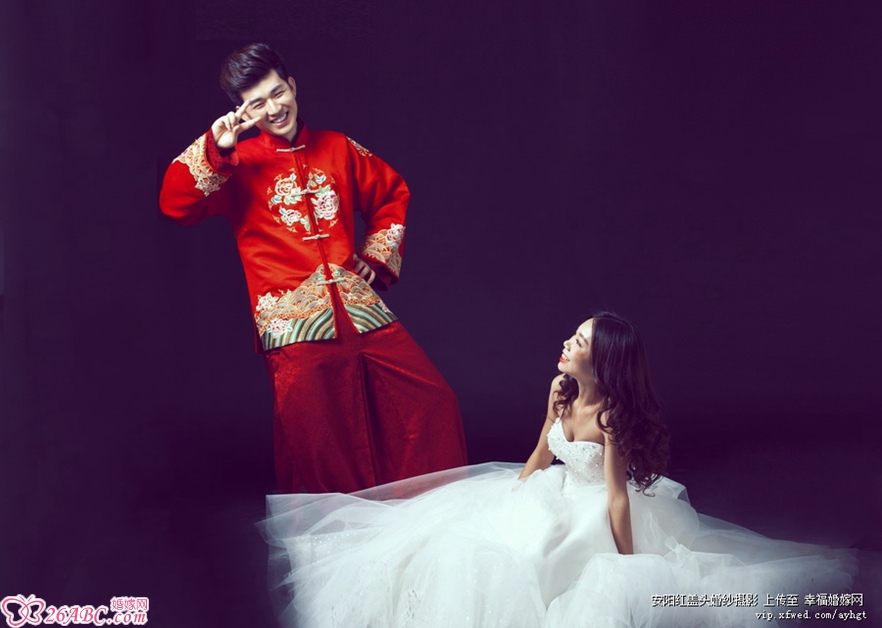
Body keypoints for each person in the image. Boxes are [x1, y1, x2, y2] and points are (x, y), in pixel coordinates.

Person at [261, 312, 856, 627]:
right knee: (464, 542)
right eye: (572, 336)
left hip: (592, 507)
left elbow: (617, 496)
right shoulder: (561, 391)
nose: (566, 345)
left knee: (543, 557)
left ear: (603, 366)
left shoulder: (611, 418)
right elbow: (542, 454)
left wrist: (630, 564)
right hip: (552, 489)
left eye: (579, 343)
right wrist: (508, 495)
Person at [159, 43, 467, 493]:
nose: (273, 109)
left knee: (431, 402)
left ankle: (420, 510)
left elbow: (391, 192)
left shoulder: (337, 146)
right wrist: (216, 147)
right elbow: (175, 205)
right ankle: (344, 530)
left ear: (292, 86)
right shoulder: (235, 163)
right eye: (256, 104)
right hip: (291, 322)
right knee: (317, 438)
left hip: (358, 309)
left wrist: (375, 255)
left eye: (277, 93)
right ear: (242, 112)